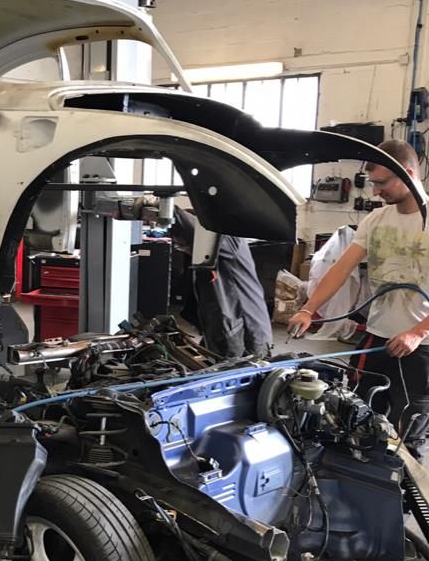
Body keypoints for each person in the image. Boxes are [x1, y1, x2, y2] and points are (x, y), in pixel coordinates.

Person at [288, 139, 429, 455]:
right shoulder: (375, 221)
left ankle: (403, 497)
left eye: (381, 183)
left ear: (407, 173)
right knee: (358, 417)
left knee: (408, 435)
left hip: (421, 347)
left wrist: (418, 332)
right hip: (378, 335)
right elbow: (340, 269)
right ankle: (362, 487)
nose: (376, 192)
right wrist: (310, 310)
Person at [170, 205, 273, 358]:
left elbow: (192, 226)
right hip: (225, 329)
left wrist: (165, 207)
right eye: (179, 246)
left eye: (184, 243)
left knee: (239, 378)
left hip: (246, 334)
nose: (183, 248)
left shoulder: (227, 240)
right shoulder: (204, 257)